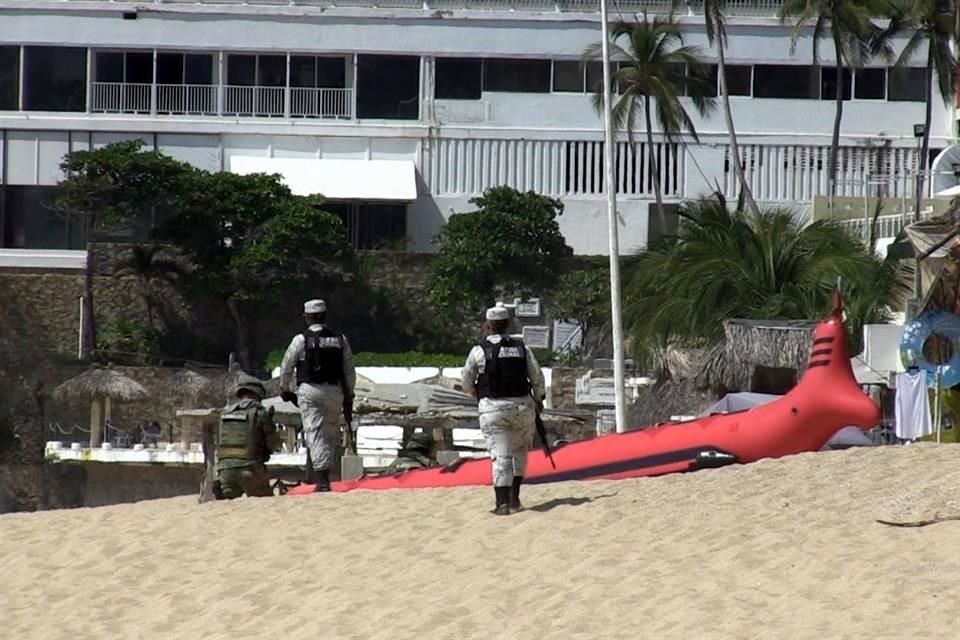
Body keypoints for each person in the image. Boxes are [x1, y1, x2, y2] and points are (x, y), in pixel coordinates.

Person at [461, 303, 546, 515]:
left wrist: (476, 394)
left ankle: (502, 504)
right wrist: (539, 399)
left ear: (487, 325)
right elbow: (537, 376)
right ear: (508, 324)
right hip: (523, 407)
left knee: (501, 456)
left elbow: (467, 380)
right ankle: (515, 499)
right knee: (519, 452)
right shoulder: (522, 348)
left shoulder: (479, 351)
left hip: (493, 408)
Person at [278, 298, 356, 492]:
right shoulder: (340, 340)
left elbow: (286, 366)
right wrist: (349, 394)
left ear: (307, 318)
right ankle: (327, 474)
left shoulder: (301, 339)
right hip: (335, 390)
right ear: (325, 316)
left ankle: (322, 481)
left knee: (314, 432)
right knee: (331, 432)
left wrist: (284, 388)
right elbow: (349, 371)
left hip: (310, 390)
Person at [214, 375, 278, 500]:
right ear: (258, 393)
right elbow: (272, 444)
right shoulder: (260, 413)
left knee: (227, 503)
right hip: (251, 470)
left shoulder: (225, 414)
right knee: (264, 501)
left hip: (224, 472)